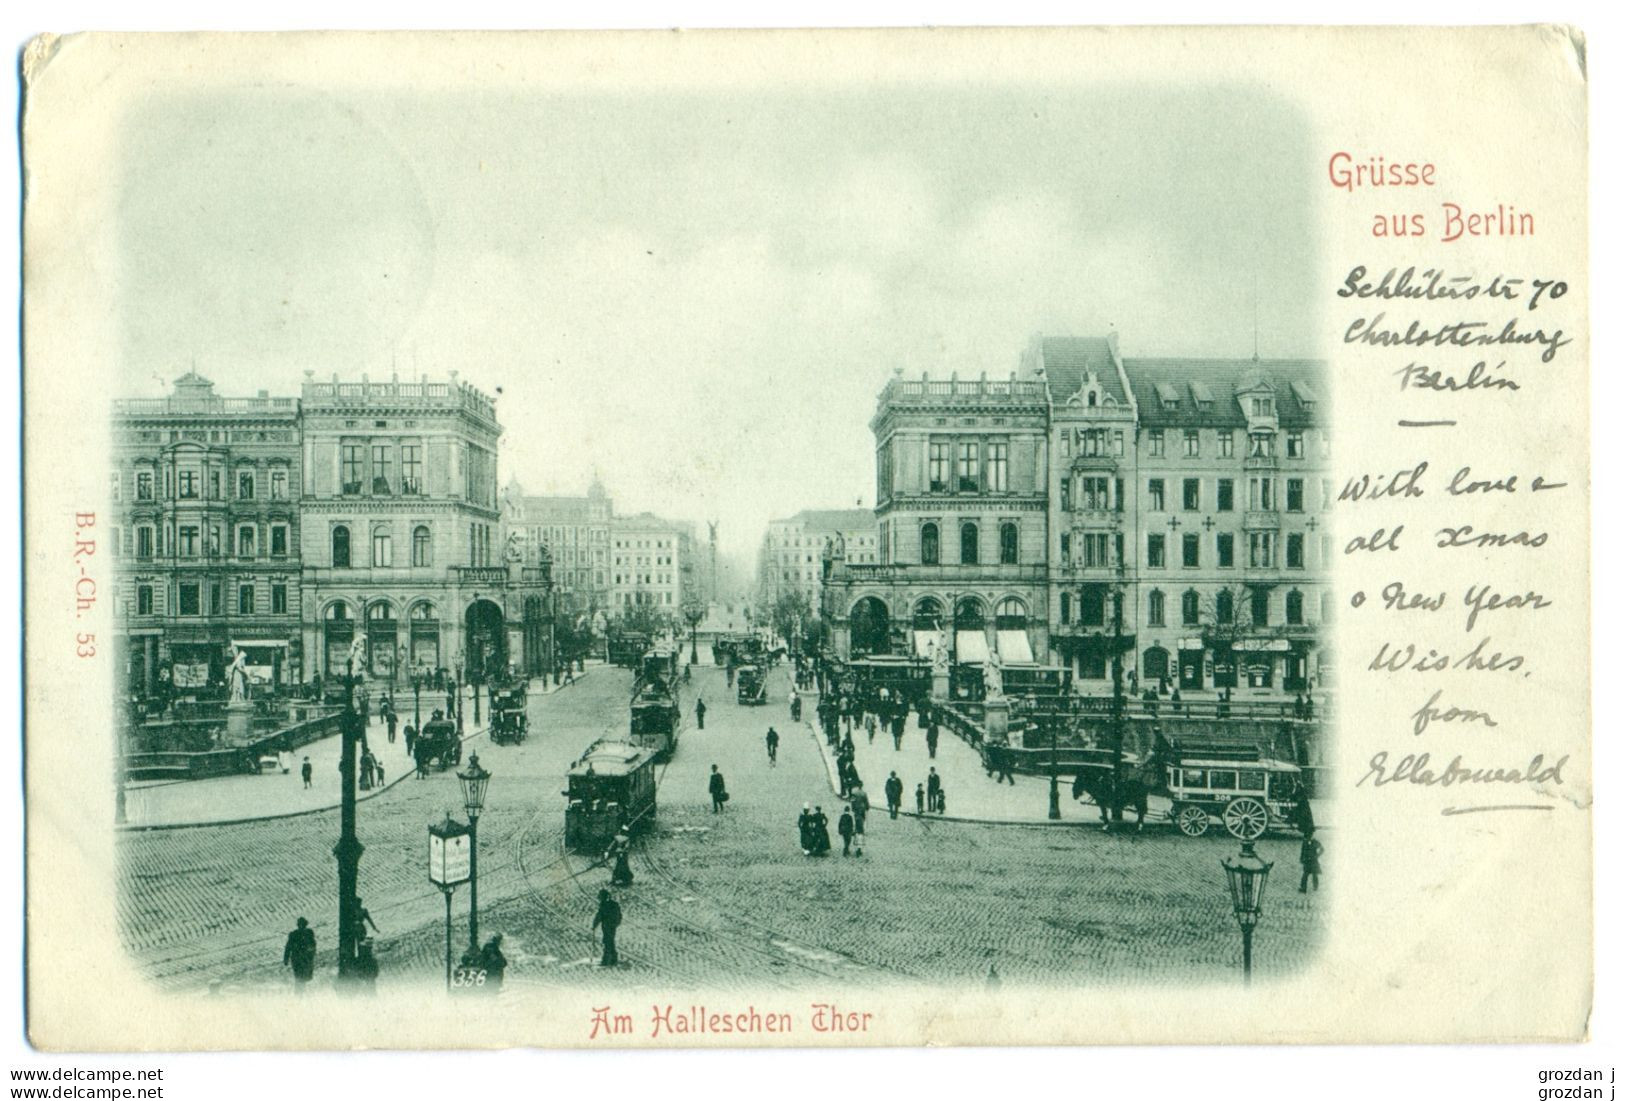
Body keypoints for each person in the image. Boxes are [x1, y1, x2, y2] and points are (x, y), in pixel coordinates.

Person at [282, 917, 316, 988]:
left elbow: (313, 945)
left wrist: (310, 954)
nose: (301, 926)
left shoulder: (309, 933)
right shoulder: (294, 934)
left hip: (305, 959)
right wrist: (286, 958)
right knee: (299, 978)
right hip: (297, 959)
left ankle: (301, 994)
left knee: (303, 978)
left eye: (302, 925)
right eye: (300, 925)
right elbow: (288, 947)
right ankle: (299, 994)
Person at [592, 889, 622, 966]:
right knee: (611, 941)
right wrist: (616, 923)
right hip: (613, 926)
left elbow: (599, 916)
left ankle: (606, 960)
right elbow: (619, 915)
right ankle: (613, 959)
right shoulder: (614, 904)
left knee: (607, 942)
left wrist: (594, 925)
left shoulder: (604, 905)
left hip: (607, 926)